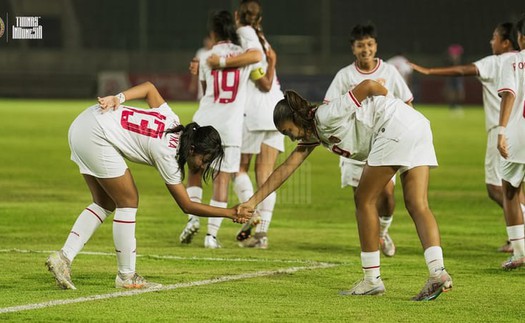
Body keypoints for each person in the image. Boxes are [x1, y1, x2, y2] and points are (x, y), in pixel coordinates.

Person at [240, 79, 453, 300]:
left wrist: (390, 104)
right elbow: (285, 169)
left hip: (394, 125)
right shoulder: (315, 132)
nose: (291, 137)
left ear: (295, 118)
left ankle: (371, 280)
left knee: (364, 200)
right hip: (417, 124)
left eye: (288, 131)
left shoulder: (325, 115)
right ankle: (438, 272)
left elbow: (369, 85)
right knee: (417, 204)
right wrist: (252, 202)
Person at [45, 82, 253, 290]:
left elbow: (149, 89)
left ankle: (63, 258)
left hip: (84, 123)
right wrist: (230, 212)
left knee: (104, 202)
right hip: (95, 134)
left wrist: (119, 98)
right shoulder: (169, 154)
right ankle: (126, 276)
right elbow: (187, 206)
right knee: (129, 200)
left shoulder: (172, 119)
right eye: (204, 159)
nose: (203, 165)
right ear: (191, 149)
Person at [410, 22, 523, 253]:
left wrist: (429, 71)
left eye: (494, 37)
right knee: (516, 188)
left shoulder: (499, 61)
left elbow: (463, 70)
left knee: (497, 188)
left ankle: (519, 237)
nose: (491, 42)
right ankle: (517, 237)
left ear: (507, 42)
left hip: (502, 131)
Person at [178, 9, 274, 249]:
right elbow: (261, 78)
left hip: (205, 120)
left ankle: (192, 219)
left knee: (194, 171)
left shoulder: (206, 55)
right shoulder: (244, 56)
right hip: (231, 126)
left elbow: (203, 88)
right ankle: (211, 237)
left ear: (213, 32)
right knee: (221, 179)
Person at [324, 23, 414, 257]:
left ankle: (382, 232)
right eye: (360, 45)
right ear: (353, 49)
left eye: (370, 44)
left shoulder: (389, 72)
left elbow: (407, 103)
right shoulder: (345, 75)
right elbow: (329, 107)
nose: (366, 49)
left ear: (376, 46)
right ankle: (369, 244)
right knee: (361, 197)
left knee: (386, 196)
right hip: (354, 145)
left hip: (384, 142)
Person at [199, 0, 283, 249]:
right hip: (275, 109)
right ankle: (261, 234)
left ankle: (253, 218)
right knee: (265, 175)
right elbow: (264, 71)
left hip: (255, 111)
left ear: (238, 16)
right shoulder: (262, 37)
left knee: (237, 171)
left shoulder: (244, 34)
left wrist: (221, 63)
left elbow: (259, 74)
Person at [497, 15, 525, 270]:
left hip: (518, 136)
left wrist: (501, 131)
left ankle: (519, 252)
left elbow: (509, 95)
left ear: (520, 38)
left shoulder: (514, 61)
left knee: (509, 191)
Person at [189, 36, 213, 100]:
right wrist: (193, 83)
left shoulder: (216, 52)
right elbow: (194, 69)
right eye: (206, 40)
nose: (207, 42)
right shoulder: (200, 52)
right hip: (202, 81)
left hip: (212, 81)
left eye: (209, 40)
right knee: (202, 97)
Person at [444, 44, 465, 112]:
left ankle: (458, 105)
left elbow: (460, 60)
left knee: (459, 90)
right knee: (451, 90)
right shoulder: (451, 48)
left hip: (458, 75)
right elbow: (449, 61)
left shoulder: (459, 48)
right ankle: (452, 105)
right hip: (451, 74)